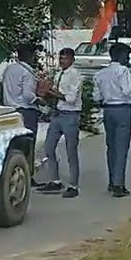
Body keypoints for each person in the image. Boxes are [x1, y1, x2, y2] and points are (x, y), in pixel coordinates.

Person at [94, 42, 131, 198]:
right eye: (126, 55)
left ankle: (111, 180)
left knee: (111, 147)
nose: (128, 58)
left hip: (108, 110)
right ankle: (118, 184)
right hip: (122, 109)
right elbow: (128, 91)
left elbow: (96, 96)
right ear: (120, 55)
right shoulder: (123, 71)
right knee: (121, 148)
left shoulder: (101, 74)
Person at [38, 48, 84, 199]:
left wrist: (52, 92)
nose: (62, 61)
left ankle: (73, 185)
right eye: (61, 58)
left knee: (71, 150)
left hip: (71, 115)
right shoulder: (59, 74)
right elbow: (55, 94)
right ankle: (55, 180)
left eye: (65, 59)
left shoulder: (75, 75)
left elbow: (70, 98)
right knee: (49, 147)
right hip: (58, 114)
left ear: (72, 60)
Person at [1, 44, 45, 161]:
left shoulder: (9, 69)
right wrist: (39, 100)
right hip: (26, 111)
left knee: (14, 145)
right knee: (28, 145)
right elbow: (27, 95)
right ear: (29, 56)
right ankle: (28, 172)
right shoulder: (27, 72)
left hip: (9, 109)